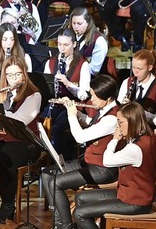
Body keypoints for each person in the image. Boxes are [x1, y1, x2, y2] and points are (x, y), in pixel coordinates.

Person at [41, 75, 120, 229]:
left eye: (94, 96)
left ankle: (65, 225)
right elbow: (91, 124)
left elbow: (80, 137)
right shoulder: (104, 109)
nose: (91, 100)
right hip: (90, 162)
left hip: (103, 169)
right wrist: (74, 110)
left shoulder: (113, 118)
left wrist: (71, 115)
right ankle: (59, 223)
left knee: (55, 182)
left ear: (109, 98)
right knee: (47, 174)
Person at [0, 56, 42, 224]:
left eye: (18, 74)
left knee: (2, 162)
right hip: (0, 136)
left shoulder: (34, 95)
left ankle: (8, 206)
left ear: (24, 74)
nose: (14, 79)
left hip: (25, 140)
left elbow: (20, 121)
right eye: (10, 75)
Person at [73, 102, 156, 229]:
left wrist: (114, 139)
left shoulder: (135, 149)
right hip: (127, 192)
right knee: (80, 197)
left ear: (132, 121)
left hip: (135, 201)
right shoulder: (149, 137)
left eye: (120, 122)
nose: (118, 127)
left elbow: (107, 160)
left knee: (80, 213)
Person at [43, 29, 91, 160]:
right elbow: (45, 87)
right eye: (59, 44)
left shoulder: (83, 64)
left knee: (57, 128)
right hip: (55, 103)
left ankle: (59, 161)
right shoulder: (51, 62)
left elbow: (84, 95)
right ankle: (43, 159)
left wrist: (68, 84)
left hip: (72, 106)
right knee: (40, 122)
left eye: (66, 45)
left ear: (74, 44)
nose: (62, 49)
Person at [117, 49, 156, 127]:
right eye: (133, 67)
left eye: (139, 69)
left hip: (147, 132)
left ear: (150, 67)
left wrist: (137, 112)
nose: (135, 72)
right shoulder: (127, 82)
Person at [0, 23, 32, 94]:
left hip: (19, 97)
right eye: (5, 39)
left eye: (12, 39)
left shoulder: (25, 58)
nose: (8, 43)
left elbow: (27, 85)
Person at [68, 7, 108, 76]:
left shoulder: (99, 41)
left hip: (92, 81)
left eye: (79, 24)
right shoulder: (71, 35)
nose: (76, 27)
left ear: (88, 22)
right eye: (74, 23)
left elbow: (94, 70)